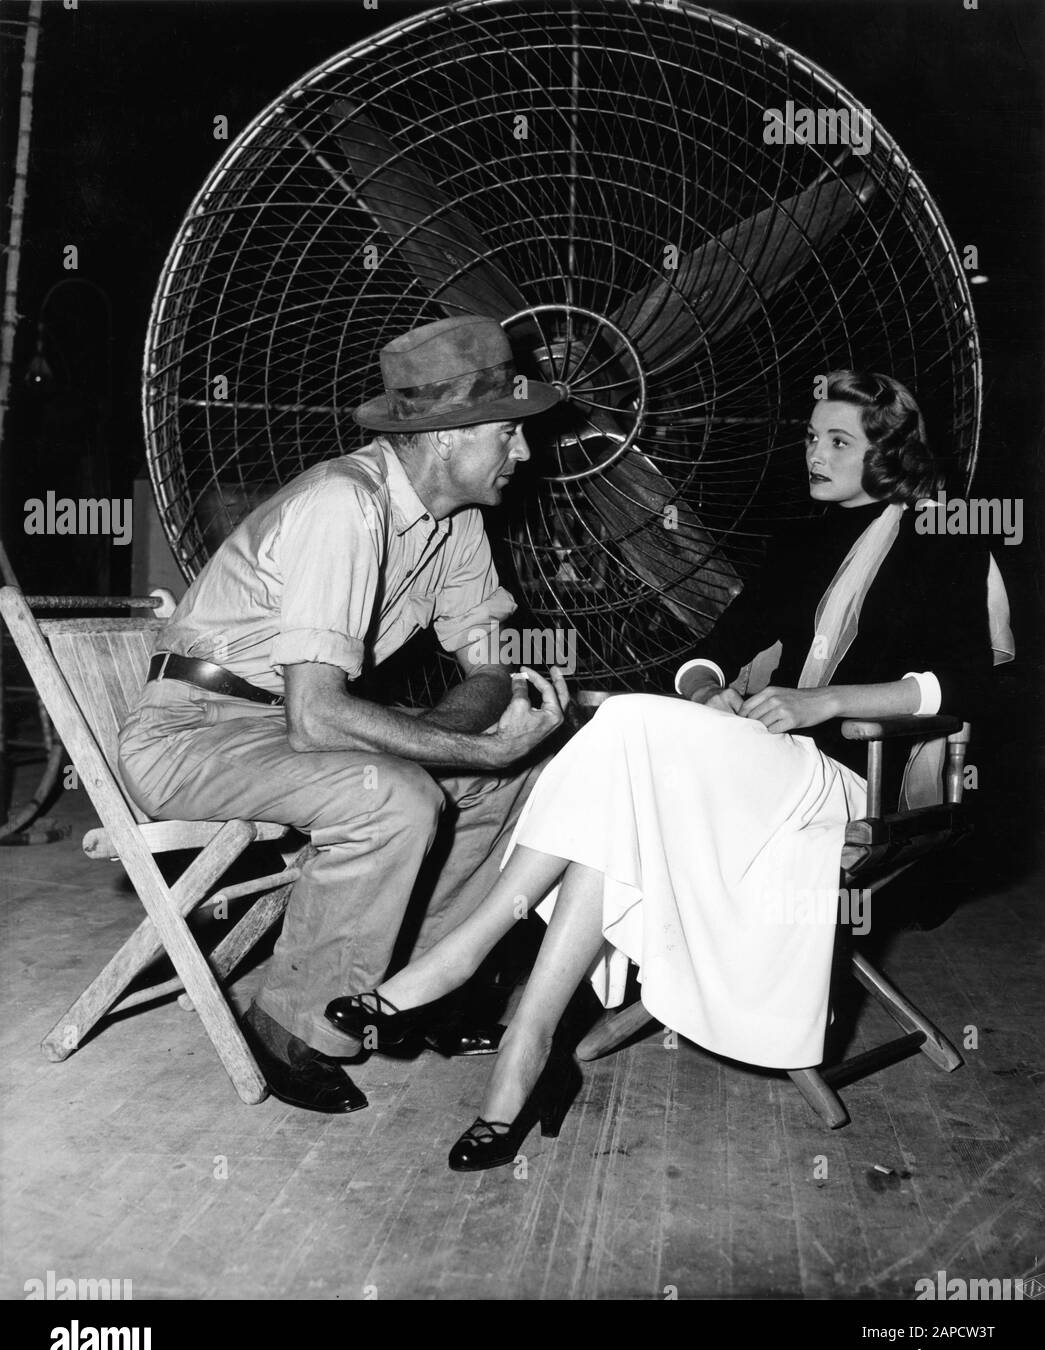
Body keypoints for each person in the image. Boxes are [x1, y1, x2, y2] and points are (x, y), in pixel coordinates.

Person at [325, 368, 1004, 1170]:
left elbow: (966, 682)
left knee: (627, 723)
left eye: (837, 442)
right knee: (629, 775)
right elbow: (708, 653)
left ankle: (461, 962)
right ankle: (527, 1044)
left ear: (888, 452)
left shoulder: (944, 536)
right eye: (811, 437)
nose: (813, 454)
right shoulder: (800, 540)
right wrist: (709, 690)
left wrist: (822, 705)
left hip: (851, 777)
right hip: (760, 766)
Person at [117, 315, 568, 1114]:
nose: (523, 452)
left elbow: (489, 669)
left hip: (275, 728)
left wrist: (475, 749)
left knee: (517, 778)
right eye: (508, 433)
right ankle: (292, 1026)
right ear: (445, 436)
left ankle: (406, 999)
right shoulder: (341, 505)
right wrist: (456, 754)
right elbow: (317, 721)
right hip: (192, 734)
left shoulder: (458, 522)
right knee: (391, 794)